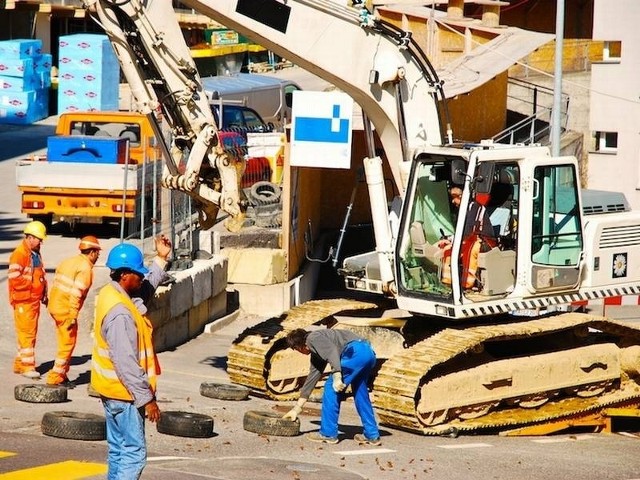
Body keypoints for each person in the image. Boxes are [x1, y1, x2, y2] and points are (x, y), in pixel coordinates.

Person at [91, 236, 171, 480]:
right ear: (125, 275)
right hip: (125, 394)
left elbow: (144, 291)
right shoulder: (121, 315)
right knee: (134, 454)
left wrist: (161, 259)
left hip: (111, 392)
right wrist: (147, 400)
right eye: (138, 274)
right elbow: (126, 364)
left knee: (118, 451)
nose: (142, 278)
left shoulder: (112, 293)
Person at [283, 328, 381, 446]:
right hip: (368, 353)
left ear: (299, 347)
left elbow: (332, 351)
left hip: (354, 353)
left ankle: (328, 434)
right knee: (360, 392)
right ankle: (372, 435)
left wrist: (336, 375)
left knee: (330, 389)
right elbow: (311, 380)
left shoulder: (312, 338)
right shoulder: (317, 350)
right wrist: (296, 409)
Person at [46, 235, 102, 386]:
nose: (98, 256)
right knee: (67, 344)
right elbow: (76, 295)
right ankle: (56, 377)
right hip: (65, 310)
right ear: (91, 252)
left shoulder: (68, 261)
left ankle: (62, 374)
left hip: (55, 306)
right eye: (97, 252)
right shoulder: (85, 269)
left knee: (63, 341)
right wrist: (72, 315)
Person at [8, 220, 48, 379]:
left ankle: (20, 363)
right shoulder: (20, 254)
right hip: (24, 300)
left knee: (27, 333)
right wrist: (33, 287)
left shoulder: (34, 253)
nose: (41, 242)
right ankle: (27, 367)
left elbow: (40, 275)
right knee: (27, 334)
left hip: (32, 300)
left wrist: (43, 292)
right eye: (40, 239)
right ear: (30, 237)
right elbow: (14, 278)